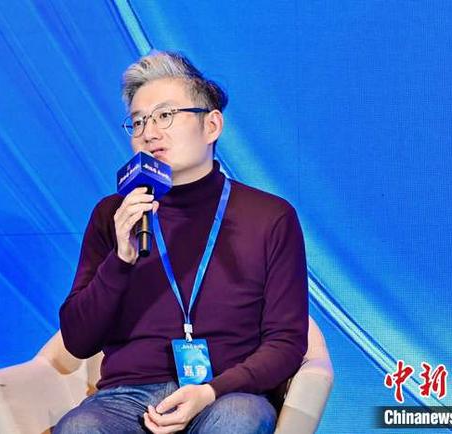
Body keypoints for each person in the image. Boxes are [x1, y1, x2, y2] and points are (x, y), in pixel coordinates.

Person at [55, 51, 308, 434]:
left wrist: (211, 391)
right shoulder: (115, 214)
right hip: (126, 398)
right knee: (80, 427)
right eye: (138, 121)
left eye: (165, 116)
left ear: (211, 125)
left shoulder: (270, 216)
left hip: (226, 392)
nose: (149, 133)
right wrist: (120, 259)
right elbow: (77, 340)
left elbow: (286, 342)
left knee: (238, 419)